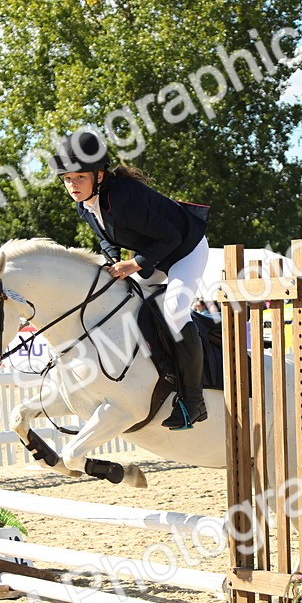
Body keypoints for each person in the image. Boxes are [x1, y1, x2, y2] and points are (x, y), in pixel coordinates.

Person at [53, 129, 210, 430]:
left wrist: (133, 264)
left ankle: (193, 401)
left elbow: (172, 237)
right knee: (130, 302)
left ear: (99, 175)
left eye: (80, 177)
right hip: (157, 254)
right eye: (68, 179)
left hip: (186, 249)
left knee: (175, 310)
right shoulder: (84, 204)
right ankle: (162, 370)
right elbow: (106, 239)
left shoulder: (123, 198)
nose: (73, 185)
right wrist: (113, 260)